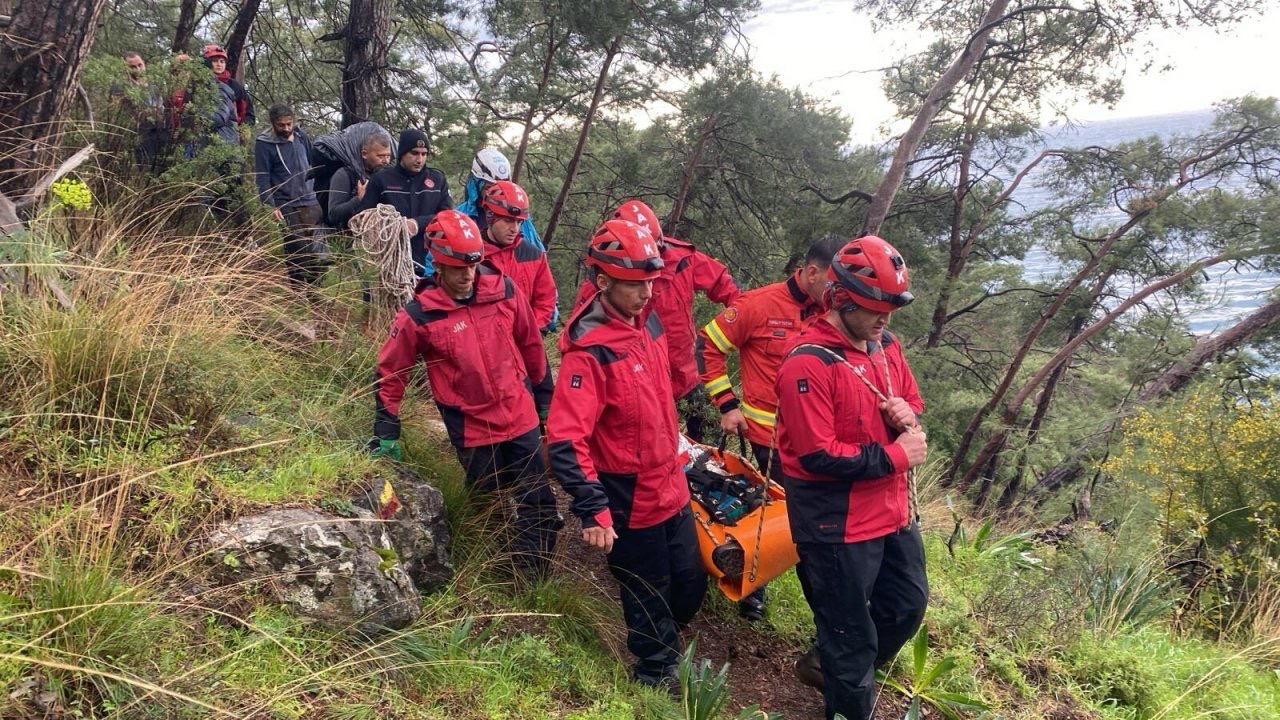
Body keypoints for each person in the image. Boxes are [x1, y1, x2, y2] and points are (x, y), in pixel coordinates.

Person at [773, 235, 929, 720]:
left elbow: (913, 402)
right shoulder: (807, 363)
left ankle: (828, 665)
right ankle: (845, 694)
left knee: (906, 605)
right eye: (873, 307)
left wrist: (907, 412)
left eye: (890, 307)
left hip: (891, 510)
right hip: (834, 523)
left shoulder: (885, 345)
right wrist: (897, 456)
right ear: (840, 299)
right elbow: (818, 455)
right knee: (851, 638)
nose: (885, 317)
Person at [547, 219, 707, 689]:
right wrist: (593, 508)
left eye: (651, 282)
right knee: (646, 588)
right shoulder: (589, 354)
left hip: (670, 482)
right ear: (604, 282)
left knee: (689, 582)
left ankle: (666, 646)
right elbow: (564, 438)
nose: (646, 293)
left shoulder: (649, 321)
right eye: (636, 285)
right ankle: (654, 675)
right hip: (628, 491)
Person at [371, 210, 560, 576]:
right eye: (457, 267)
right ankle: (495, 569)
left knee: (538, 501)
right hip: (472, 428)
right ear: (438, 266)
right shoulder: (419, 316)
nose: (467, 275)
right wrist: (386, 426)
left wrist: (544, 400)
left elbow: (532, 345)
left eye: (473, 265)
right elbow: (391, 371)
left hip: (518, 414)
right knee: (489, 504)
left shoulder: (504, 291)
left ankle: (536, 578)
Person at [697, 234, 843, 621]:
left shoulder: (836, 316)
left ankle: (828, 610)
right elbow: (708, 346)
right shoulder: (760, 305)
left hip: (824, 444)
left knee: (815, 525)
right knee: (771, 516)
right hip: (769, 441)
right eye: (833, 282)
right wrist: (727, 405)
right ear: (812, 273)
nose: (838, 293)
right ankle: (753, 587)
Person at [571, 200, 739, 442]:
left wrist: (742, 318)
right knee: (651, 443)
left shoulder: (681, 258)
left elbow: (724, 284)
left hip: (687, 374)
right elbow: (582, 327)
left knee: (709, 440)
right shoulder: (604, 277)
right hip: (641, 381)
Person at [355, 129, 453, 276]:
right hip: (389, 264)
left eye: (424, 154)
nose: (419, 159)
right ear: (402, 153)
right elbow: (365, 220)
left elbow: (448, 217)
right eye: (414, 153)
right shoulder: (381, 180)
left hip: (429, 264)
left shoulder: (437, 180)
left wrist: (417, 224)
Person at [253, 103, 324, 284]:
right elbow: (263, 176)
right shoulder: (264, 143)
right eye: (281, 125)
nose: (286, 128)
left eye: (289, 124)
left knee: (317, 247)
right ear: (273, 123)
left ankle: (316, 290)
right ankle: (297, 289)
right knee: (296, 247)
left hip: (310, 198)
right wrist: (270, 204)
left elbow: (311, 163)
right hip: (285, 202)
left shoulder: (301, 136)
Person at [476, 180, 558, 330]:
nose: (515, 229)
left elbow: (546, 299)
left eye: (519, 222)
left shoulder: (533, 255)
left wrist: (531, 330)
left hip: (524, 341)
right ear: (490, 216)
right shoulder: (473, 256)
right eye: (508, 221)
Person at [325, 130, 394, 230]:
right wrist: (359, 199)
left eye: (388, 156)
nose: (386, 161)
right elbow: (333, 215)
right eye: (380, 156)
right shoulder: (344, 175)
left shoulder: (389, 176)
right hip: (351, 239)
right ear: (364, 154)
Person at [110, 52, 167, 171]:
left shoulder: (154, 86)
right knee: (145, 168)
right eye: (133, 67)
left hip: (158, 133)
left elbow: (161, 107)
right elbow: (117, 111)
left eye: (140, 65)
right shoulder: (121, 87)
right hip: (138, 134)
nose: (138, 69)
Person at [201, 43, 255, 140]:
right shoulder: (198, 83)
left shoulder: (235, 86)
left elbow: (249, 114)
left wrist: (244, 129)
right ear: (207, 62)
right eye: (215, 61)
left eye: (222, 61)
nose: (219, 64)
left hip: (229, 138)